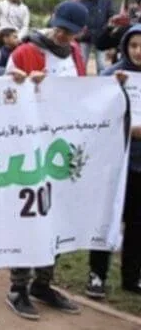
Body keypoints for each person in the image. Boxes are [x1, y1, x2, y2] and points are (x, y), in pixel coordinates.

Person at [4, 1, 88, 320]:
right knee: (30, 215)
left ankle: (43, 282)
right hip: (29, 148)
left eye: (69, 31)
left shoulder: (76, 53)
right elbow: (4, 96)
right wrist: (24, 84)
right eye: (60, 27)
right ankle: (18, 287)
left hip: (61, 147)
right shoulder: (25, 52)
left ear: (80, 33)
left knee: (56, 215)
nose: (62, 34)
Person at [86, 25, 141, 299]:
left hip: (140, 166)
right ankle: (97, 275)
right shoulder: (112, 75)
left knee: (137, 222)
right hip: (115, 163)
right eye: (133, 45)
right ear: (124, 47)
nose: (138, 51)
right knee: (106, 218)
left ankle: (132, 276)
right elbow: (94, 114)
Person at [78, 0, 115, 74]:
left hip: (101, 36)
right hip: (85, 36)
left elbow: (111, 17)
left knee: (101, 64)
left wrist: (106, 30)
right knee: (82, 63)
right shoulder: (81, 1)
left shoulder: (106, 1)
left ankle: (101, 82)